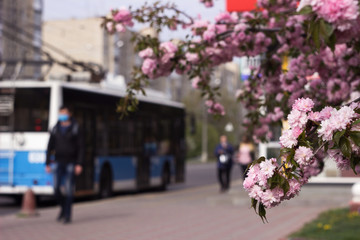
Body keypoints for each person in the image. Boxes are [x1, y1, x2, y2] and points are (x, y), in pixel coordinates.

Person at [45, 106, 84, 224]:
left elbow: (81, 147)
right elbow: (49, 146)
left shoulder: (76, 128)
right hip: (58, 161)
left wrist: (79, 163)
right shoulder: (55, 128)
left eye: (64, 113)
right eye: (60, 113)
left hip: (71, 162)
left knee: (68, 189)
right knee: (56, 188)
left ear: (69, 114)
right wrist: (47, 163)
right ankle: (63, 208)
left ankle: (67, 215)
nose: (62, 115)